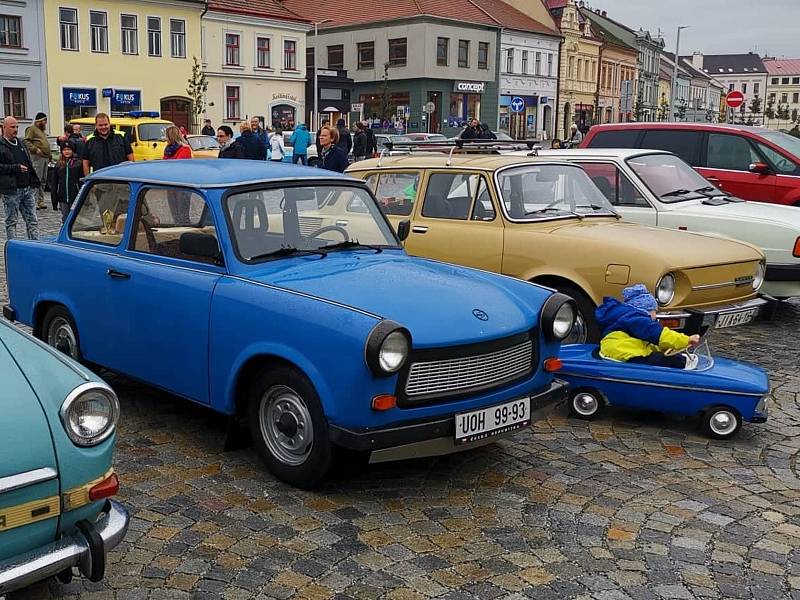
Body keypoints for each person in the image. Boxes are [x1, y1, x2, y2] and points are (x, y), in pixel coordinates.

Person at [595, 284, 700, 369]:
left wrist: (665, 348)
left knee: (660, 355)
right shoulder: (637, 319)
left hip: (621, 351)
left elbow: (649, 343)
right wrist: (686, 340)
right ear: (646, 310)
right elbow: (658, 334)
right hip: (624, 353)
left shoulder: (629, 318)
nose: (655, 316)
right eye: (654, 311)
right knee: (666, 361)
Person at [0, 116, 39, 239]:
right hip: (11, 190)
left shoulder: (21, 142)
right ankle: (12, 246)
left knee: (32, 220)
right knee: (11, 222)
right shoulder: (1, 145)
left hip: (27, 189)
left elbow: (28, 163)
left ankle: (35, 245)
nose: (15, 129)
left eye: (16, 126)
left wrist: (34, 181)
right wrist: (15, 168)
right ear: (4, 127)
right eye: (12, 127)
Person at [49, 139, 83, 223]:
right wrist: (54, 201)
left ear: (73, 150)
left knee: (75, 218)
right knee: (65, 218)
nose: (67, 151)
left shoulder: (78, 163)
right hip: (62, 197)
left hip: (75, 196)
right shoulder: (58, 165)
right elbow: (54, 184)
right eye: (64, 150)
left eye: (69, 149)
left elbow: (81, 181)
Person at [23, 112, 50, 210]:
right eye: (44, 120)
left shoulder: (42, 130)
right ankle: (33, 201)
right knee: (36, 179)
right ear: (39, 121)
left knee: (43, 180)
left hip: (45, 157)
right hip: (37, 157)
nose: (46, 122)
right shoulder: (31, 129)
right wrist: (35, 149)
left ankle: (40, 201)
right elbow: (26, 141)